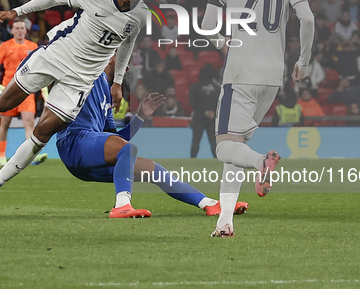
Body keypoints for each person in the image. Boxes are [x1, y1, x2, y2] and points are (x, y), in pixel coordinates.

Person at [0, 0, 152, 215]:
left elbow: (128, 43)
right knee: (4, 103)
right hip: (55, 57)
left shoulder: (141, 15)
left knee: (40, 137)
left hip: (80, 81)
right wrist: (16, 11)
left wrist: (116, 83)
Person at [200, 0, 314, 237]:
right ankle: (225, 222)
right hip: (273, 77)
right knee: (235, 147)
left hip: (241, 72)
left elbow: (208, 24)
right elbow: (307, 19)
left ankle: (262, 161)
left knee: (224, 147)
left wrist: (222, 43)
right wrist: (303, 62)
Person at [55, 57, 249, 218]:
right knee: (127, 149)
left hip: (89, 155)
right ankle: (122, 205)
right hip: (74, 143)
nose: (127, 65)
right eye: (123, 59)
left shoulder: (108, 92)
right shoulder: (90, 72)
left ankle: (211, 204)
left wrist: (139, 117)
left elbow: (116, 140)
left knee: (153, 168)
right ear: (109, 57)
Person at [0, 20, 41, 166]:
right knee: (5, 123)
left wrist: (43, 88)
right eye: (16, 28)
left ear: (26, 31)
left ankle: (31, 156)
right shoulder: (5, 46)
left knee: (29, 123)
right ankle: (1, 156)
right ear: (12, 31)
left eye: (22, 28)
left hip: (27, 90)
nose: (19, 30)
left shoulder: (33, 46)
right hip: (8, 90)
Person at [189, 64, 218, 158]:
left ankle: (192, 160)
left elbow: (192, 102)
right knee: (214, 142)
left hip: (198, 119)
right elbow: (221, 103)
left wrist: (205, 112)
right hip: (212, 119)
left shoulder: (195, 87)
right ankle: (217, 161)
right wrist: (213, 112)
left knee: (195, 141)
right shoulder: (217, 88)